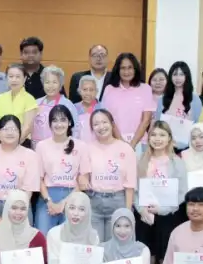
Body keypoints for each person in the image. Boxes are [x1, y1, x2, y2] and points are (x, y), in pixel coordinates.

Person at [137, 121, 188, 264]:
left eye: (162, 135)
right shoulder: (142, 160)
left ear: (169, 139)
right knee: (147, 257)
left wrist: (163, 209)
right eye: (153, 135)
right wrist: (141, 209)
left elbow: (182, 194)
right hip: (145, 216)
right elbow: (134, 189)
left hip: (168, 217)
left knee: (165, 259)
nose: (157, 139)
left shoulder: (177, 162)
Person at [0, 115, 41, 229]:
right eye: (5, 129)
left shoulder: (31, 156)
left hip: (20, 208)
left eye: (14, 129)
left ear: (20, 133)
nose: (10, 132)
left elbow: (28, 189)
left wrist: (18, 210)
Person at [82, 109, 136, 241]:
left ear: (112, 124)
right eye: (96, 124)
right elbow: (83, 176)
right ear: (92, 129)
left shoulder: (126, 149)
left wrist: (127, 211)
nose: (101, 127)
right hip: (94, 203)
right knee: (96, 245)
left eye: (104, 122)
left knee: (117, 245)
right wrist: (82, 179)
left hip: (118, 201)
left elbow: (130, 184)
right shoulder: (87, 148)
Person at [34, 104, 88, 235]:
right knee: (44, 238)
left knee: (70, 239)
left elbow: (84, 180)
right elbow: (39, 179)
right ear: (50, 124)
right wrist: (49, 202)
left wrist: (65, 203)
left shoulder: (81, 146)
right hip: (47, 198)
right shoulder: (41, 146)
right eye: (55, 120)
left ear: (69, 122)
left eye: (63, 120)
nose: (59, 124)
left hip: (73, 197)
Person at [99, 52, 155, 153]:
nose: (126, 72)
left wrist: (133, 144)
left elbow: (146, 120)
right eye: (123, 68)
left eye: (130, 68)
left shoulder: (145, 88)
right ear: (118, 70)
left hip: (139, 143)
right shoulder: (109, 89)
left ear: (135, 69)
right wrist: (121, 142)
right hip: (114, 142)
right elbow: (108, 119)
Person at [156, 61, 203, 152]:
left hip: (188, 148)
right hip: (165, 147)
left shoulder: (194, 99)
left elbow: (199, 125)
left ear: (187, 76)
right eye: (175, 74)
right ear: (170, 76)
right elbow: (158, 124)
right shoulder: (163, 99)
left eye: (181, 74)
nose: (178, 78)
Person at [0, 64, 37, 144]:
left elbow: (27, 127)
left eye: (18, 77)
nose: (14, 80)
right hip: (1, 142)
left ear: (24, 79)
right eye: (11, 76)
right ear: (6, 78)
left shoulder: (30, 99)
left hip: (22, 142)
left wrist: (14, 144)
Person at [33, 65, 79, 145]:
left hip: (60, 146)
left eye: (54, 82)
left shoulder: (67, 105)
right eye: (47, 82)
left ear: (60, 84)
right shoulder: (36, 103)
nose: (50, 86)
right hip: (36, 146)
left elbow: (76, 129)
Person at [73, 75, 106, 143]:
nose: (88, 93)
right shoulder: (74, 108)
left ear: (96, 91)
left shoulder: (102, 108)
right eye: (85, 89)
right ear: (79, 91)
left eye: (91, 90)